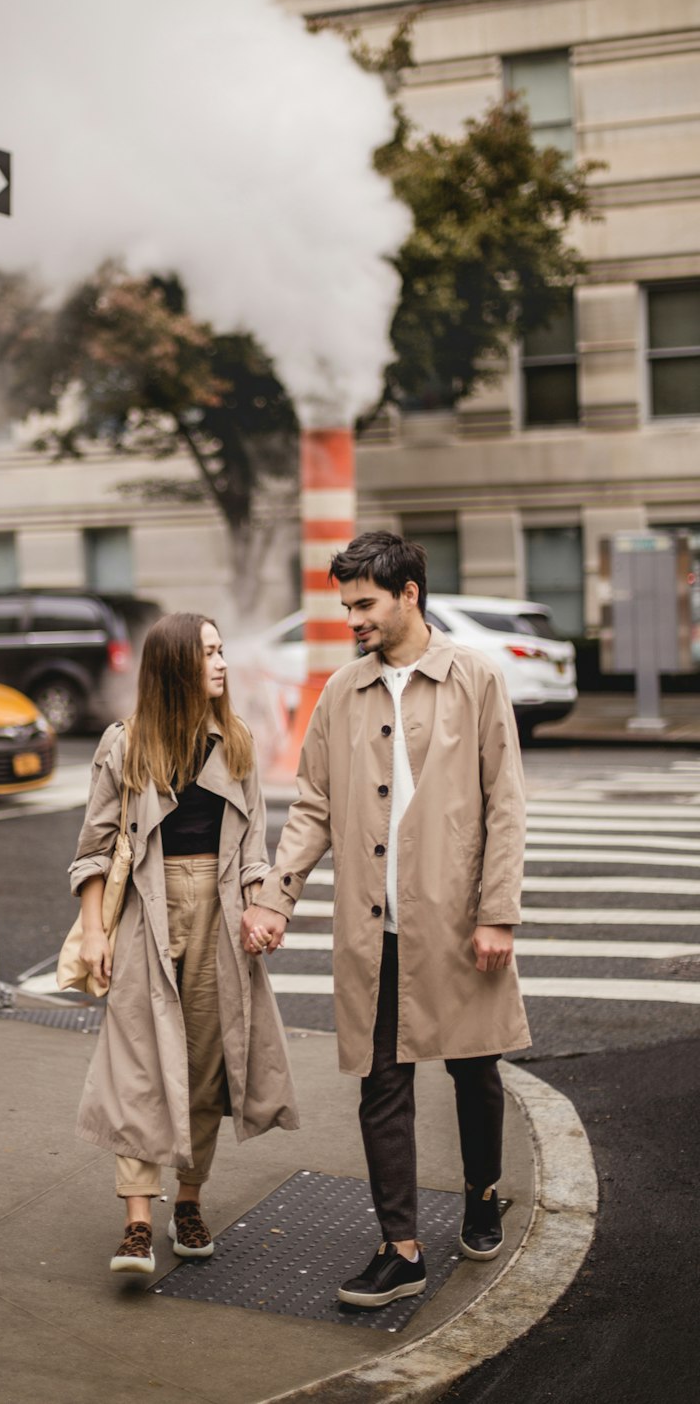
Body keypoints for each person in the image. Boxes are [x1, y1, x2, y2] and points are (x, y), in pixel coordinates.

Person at [242, 532, 531, 1308]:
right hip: (375, 930)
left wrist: (498, 913)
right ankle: (399, 1249)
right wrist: (275, 895)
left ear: (408, 594)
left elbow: (506, 802)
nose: (352, 620)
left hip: (459, 921)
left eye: (364, 604)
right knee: (381, 1082)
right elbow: (311, 806)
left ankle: (479, 1193)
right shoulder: (343, 691)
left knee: (475, 1067)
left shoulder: (474, 677)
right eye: (346, 606)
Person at [69, 611, 299, 1276]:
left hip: (220, 916)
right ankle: (137, 1221)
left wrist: (261, 909)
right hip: (147, 909)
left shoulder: (239, 744)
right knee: (139, 1061)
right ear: (175, 666)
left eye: (223, 649)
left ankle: (189, 1202)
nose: (222, 663)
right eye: (208, 653)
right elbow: (95, 847)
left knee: (206, 1063)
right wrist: (93, 931)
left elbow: (255, 851)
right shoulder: (126, 744)